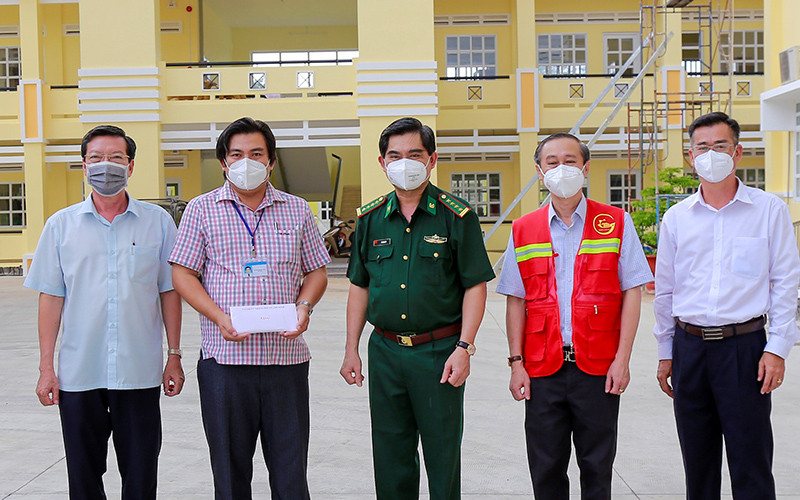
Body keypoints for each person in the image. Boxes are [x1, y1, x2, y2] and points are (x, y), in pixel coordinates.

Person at [169, 117, 329, 500]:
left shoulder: (296, 210)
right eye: (237, 154)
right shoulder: (201, 210)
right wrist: (219, 318)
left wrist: (304, 307)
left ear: (271, 161)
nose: (246, 162)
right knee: (229, 474)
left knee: (291, 474)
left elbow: (317, 272)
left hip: (285, 362)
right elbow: (183, 275)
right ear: (223, 162)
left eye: (256, 154)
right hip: (225, 363)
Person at [24, 124, 184, 499]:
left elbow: (169, 291)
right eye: (96, 158)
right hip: (79, 372)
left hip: (139, 371)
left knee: (141, 475)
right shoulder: (61, 226)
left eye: (115, 157)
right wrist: (46, 367)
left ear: (131, 166)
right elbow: (51, 298)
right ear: (84, 166)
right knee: (83, 477)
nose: (105, 165)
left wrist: (174, 355)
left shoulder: (158, 223)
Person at [339, 117, 495, 500]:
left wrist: (465, 347)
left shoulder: (456, 216)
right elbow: (359, 286)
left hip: (439, 353)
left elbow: (475, 286)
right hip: (385, 352)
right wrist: (351, 348)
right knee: (390, 454)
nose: (404, 163)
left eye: (414, 154)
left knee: (442, 456)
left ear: (432, 159)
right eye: (395, 156)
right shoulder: (370, 219)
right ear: (382, 163)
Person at [496, 132, 652, 499]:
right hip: (542, 368)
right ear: (539, 172)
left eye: (570, 161)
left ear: (585, 168)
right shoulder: (523, 229)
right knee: (546, 468)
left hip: (598, 368)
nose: (561, 169)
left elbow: (632, 291)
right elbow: (516, 300)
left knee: (597, 467)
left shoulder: (615, 222)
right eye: (552, 162)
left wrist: (622, 360)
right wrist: (516, 363)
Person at [653, 112, 800, 500]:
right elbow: (665, 292)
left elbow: (786, 282)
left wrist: (777, 349)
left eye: (720, 146)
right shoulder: (677, 218)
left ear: (738, 152)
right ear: (690, 156)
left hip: (745, 349)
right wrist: (666, 352)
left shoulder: (768, 210)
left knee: (751, 460)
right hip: (690, 349)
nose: (711, 154)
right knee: (698, 463)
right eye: (702, 147)